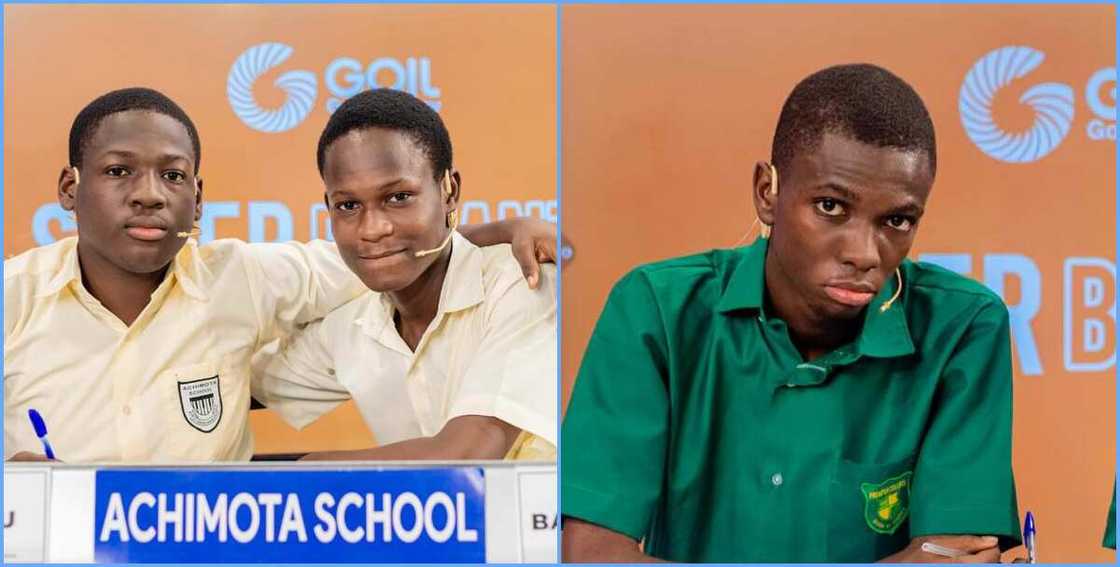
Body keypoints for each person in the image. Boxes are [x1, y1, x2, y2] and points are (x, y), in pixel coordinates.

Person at [561, 64, 1019, 562]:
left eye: (897, 220)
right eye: (830, 206)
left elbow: (954, 555)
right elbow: (593, 552)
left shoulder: (963, 326)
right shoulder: (658, 310)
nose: (865, 252)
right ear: (767, 193)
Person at [4, 87, 558, 463]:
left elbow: (410, 251)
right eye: (119, 170)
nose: (148, 193)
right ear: (69, 189)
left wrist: (504, 229)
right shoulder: (13, 296)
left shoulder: (248, 277)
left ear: (197, 199)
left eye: (172, 175)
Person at [251, 88, 556, 461]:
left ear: (449, 191)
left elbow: (467, 456)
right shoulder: (352, 320)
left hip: (549, 518)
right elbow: (236, 385)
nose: (373, 228)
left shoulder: (520, 283)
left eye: (398, 198)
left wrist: (292, 478)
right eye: (348, 205)